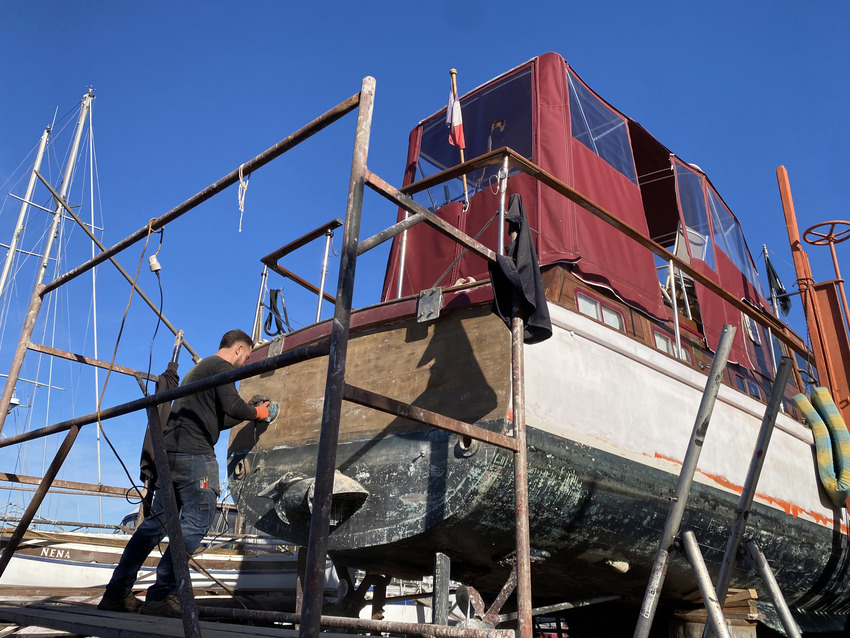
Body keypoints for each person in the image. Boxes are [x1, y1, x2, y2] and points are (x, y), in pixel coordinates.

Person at [98, 329, 272, 617]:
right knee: (197, 520)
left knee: (154, 526)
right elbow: (232, 406)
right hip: (195, 457)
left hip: (170, 456)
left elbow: (221, 417)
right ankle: (162, 595)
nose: (244, 363)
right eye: (248, 356)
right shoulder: (221, 367)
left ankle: (116, 594)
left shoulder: (198, 371)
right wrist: (258, 413)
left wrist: (247, 410)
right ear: (239, 349)